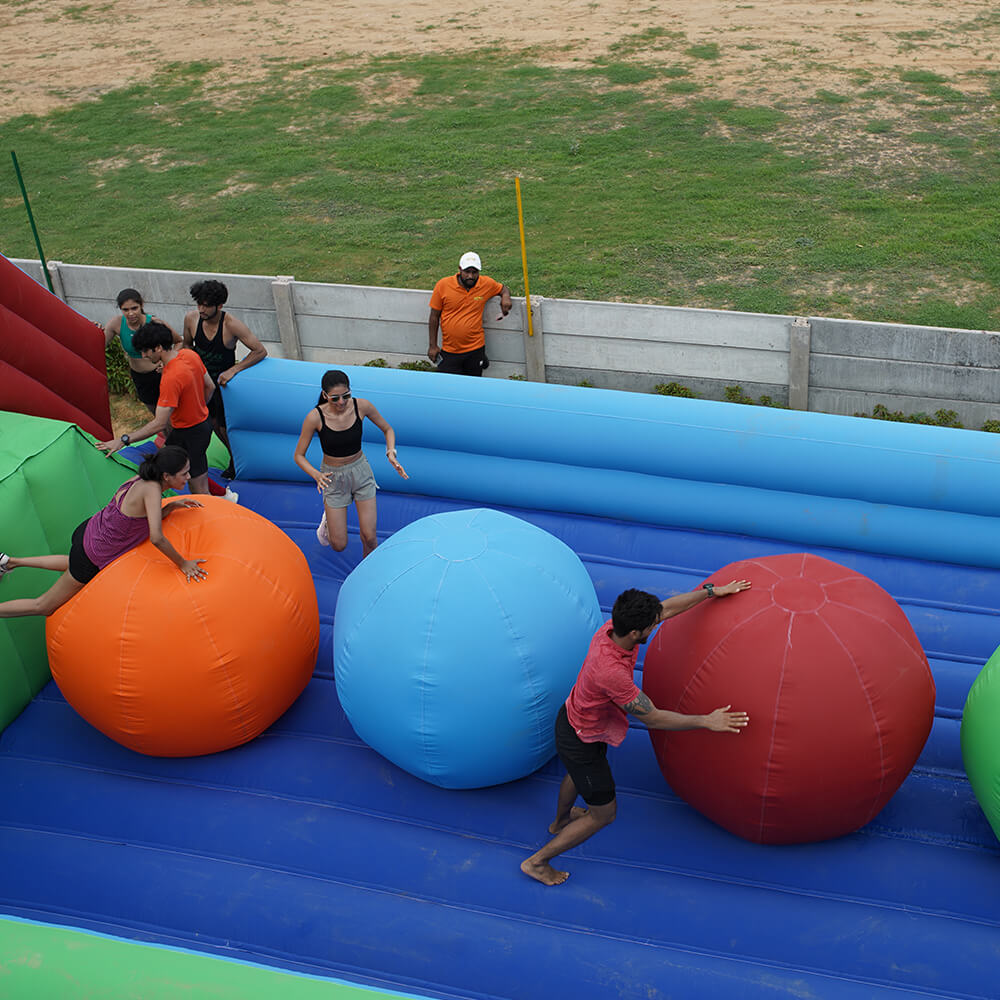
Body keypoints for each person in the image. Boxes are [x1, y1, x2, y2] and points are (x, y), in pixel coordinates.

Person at [521, 583, 752, 887]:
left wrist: (710, 592)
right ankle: (537, 862)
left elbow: (667, 609)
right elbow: (653, 718)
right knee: (603, 814)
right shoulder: (611, 673)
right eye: (651, 626)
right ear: (635, 633)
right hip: (581, 739)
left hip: (575, 722)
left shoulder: (613, 628)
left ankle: (560, 822)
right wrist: (707, 720)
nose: (657, 625)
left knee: (576, 775)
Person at [0, 447, 206, 619]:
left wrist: (173, 506)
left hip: (87, 531)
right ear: (166, 476)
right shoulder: (151, 490)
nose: (188, 477)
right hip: (92, 555)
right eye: (184, 473)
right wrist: (183, 564)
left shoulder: (142, 478)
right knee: (43, 606)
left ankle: (10, 562)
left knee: (70, 564)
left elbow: (136, 518)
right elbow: (157, 538)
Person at [293, 370, 408, 559]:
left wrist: (391, 452)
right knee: (338, 545)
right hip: (332, 477)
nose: (341, 402)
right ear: (324, 395)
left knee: (370, 537)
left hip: (361, 472)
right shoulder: (315, 417)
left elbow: (388, 429)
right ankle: (328, 521)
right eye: (335, 398)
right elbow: (298, 456)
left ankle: (368, 576)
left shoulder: (361, 406)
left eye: (346, 396)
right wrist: (316, 475)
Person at [96, 322, 216, 495]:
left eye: (145, 351)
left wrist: (123, 439)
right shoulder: (188, 354)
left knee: (199, 489)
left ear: (158, 348)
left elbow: (159, 424)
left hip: (189, 433)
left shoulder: (171, 377)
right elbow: (210, 386)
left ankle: (213, 512)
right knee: (168, 464)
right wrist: (196, 406)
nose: (143, 355)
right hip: (201, 425)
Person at [183, 279, 267, 477]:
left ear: (219, 306)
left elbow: (260, 351)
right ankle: (233, 458)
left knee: (224, 426)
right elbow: (187, 345)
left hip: (223, 385)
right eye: (199, 304)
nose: (201, 309)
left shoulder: (231, 325)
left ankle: (237, 462)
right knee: (210, 424)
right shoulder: (191, 319)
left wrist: (234, 370)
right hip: (202, 382)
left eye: (206, 305)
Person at [428, 251, 512, 376]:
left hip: (476, 349)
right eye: (467, 272)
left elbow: (503, 288)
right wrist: (433, 346)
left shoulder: (485, 284)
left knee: (474, 386)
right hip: (450, 351)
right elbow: (434, 317)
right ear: (459, 269)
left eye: (474, 272)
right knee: (449, 387)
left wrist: (506, 297)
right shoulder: (443, 285)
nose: (470, 276)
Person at [103, 288, 182, 414]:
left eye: (134, 308)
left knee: (170, 416)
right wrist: (93, 329)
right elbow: (99, 345)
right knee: (155, 414)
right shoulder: (116, 324)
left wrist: (168, 362)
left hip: (160, 375)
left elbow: (179, 341)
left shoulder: (154, 323)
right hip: (139, 377)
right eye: (126, 310)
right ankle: (166, 434)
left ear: (141, 305)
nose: (130, 313)